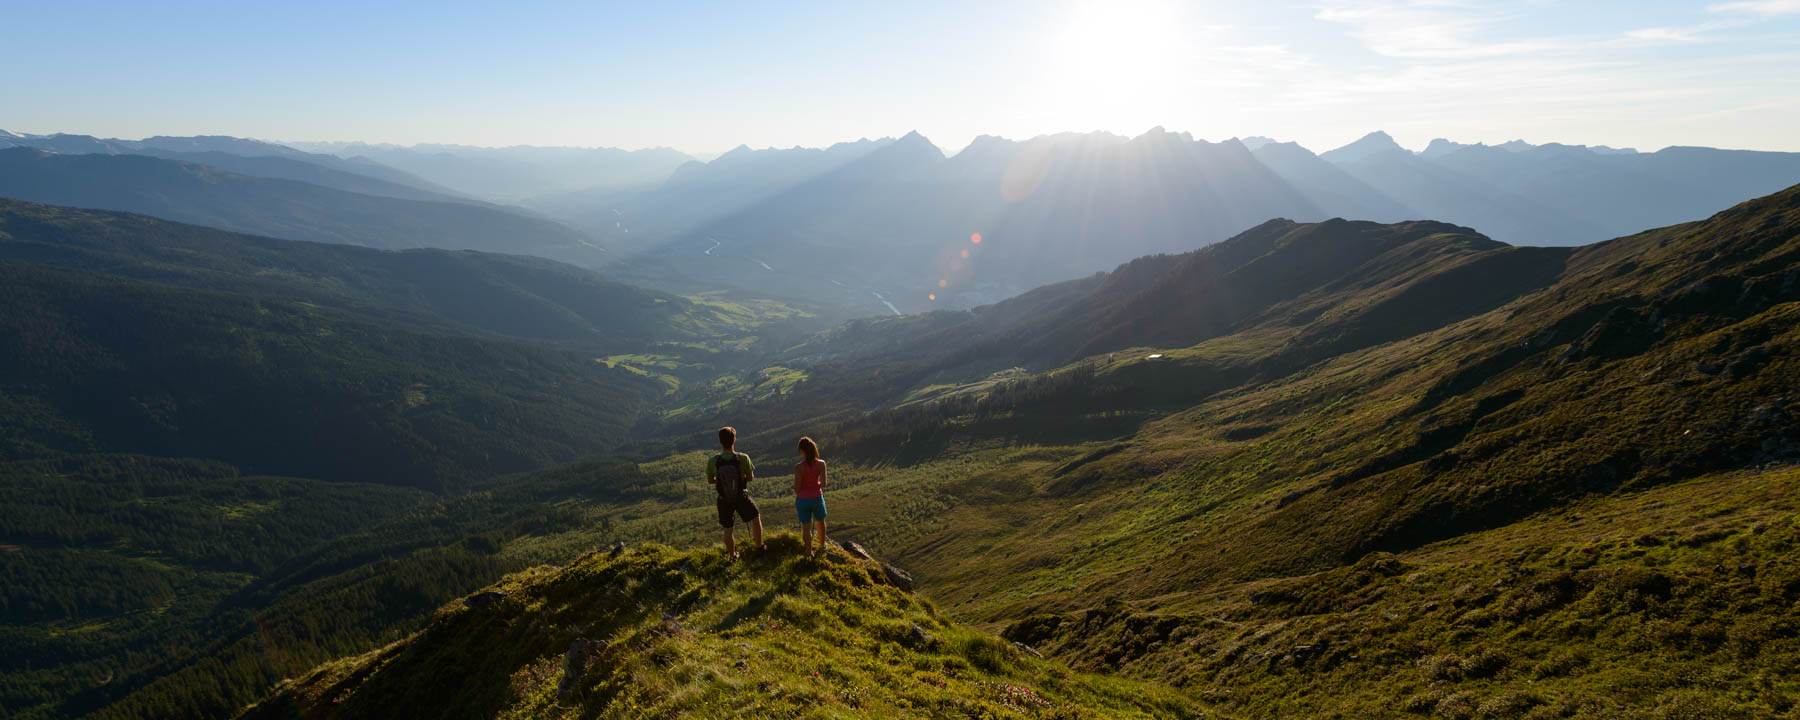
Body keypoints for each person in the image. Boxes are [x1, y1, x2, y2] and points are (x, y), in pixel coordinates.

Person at [707, 426, 763, 560]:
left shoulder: (713, 461)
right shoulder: (743, 458)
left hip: (723, 499)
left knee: (728, 529)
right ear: (734, 440)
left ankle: (732, 556)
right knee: (755, 518)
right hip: (741, 496)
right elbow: (750, 478)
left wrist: (724, 483)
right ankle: (759, 547)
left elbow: (710, 481)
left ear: (720, 442)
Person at [793, 436, 829, 557]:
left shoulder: (799, 467)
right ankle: (822, 545)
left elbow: (797, 488)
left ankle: (808, 552)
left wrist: (798, 489)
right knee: (821, 522)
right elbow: (823, 484)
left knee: (806, 527)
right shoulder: (821, 464)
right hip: (817, 498)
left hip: (802, 500)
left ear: (801, 451)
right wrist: (815, 485)